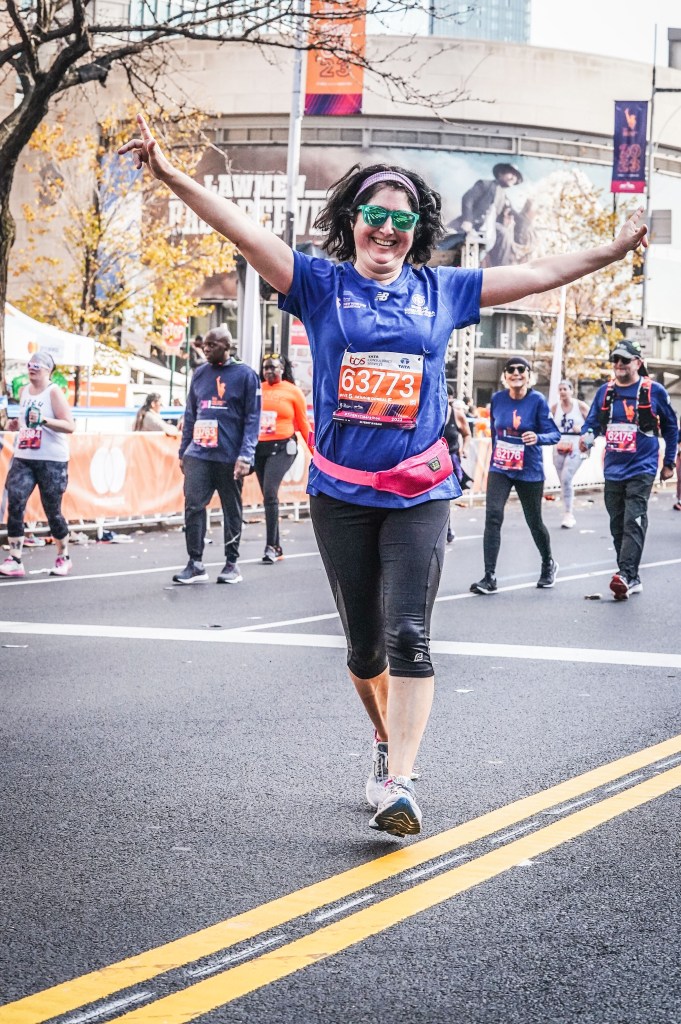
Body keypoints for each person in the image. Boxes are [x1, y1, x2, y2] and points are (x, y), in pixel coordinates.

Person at [120, 113, 649, 838]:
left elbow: (539, 273)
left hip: (420, 489)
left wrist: (613, 249)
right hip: (340, 492)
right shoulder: (316, 283)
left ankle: (399, 781)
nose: (387, 229)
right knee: (365, 648)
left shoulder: (442, 291)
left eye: (402, 220)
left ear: (416, 230)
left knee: (409, 634)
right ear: (353, 221)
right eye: (375, 215)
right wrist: (171, 174)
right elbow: (240, 230)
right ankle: (383, 737)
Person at [579, 338, 678, 600]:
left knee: (634, 518)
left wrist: (669, 462)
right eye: (615, 360)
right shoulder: (605, 392)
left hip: (642, 467)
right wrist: (586, 437)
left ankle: (624, 574)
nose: (619, 364)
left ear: (638, 362)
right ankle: (630, 576)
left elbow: (671, 427)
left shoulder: (653, 390)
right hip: (613, 469)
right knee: (617, 524)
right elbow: (591, 423)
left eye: (624, 359)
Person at [172, 326, 260, 585]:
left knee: (231, 508)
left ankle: (231, 563)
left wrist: (246, 455)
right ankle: (195, 563)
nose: (206, 349)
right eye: (204, 345)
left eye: (212, 345)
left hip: (230, 456)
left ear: (227, 346)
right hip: (199, 453)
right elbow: (190, 414)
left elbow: (253, 418)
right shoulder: (200, 374)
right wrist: (183, 451)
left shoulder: (246, 375)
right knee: (193, 506)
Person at [470, 357, 560, 595]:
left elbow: (554, 434)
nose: (516, 373)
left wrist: (537, 437)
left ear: (529, 376)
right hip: (501, 468)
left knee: (534, 521)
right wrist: (495, 459)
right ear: (505, 376)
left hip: (529, 470)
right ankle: (489, 577)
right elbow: (495, 432)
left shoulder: (537, 401)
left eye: (522, 369)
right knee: (493, 516)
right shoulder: (498, 399)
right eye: (511, 369)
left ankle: (548, 562)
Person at [0, 350, 75, 579]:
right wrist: (16, 424)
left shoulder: (53, 392)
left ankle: (63, 556)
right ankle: (15, 559)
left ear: (48, 370)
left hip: (52, 459)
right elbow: (26, 420)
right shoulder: (24, 391)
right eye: (29, 365)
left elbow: (70, 425)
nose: (31, 369)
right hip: (24, 456)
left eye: (37, 366)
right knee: (15, 502)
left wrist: (44, 420)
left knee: (52, 511)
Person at [256, 354, 312, 564]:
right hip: (259, 448)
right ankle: (276, 546)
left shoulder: (292, 391)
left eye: (273, 367)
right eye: (266, 368)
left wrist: (316, 454)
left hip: (283, 448)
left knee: (270, 492)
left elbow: (304, 425)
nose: (269, 371)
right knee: (267, 496)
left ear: (282, 369)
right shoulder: (258, 389)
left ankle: (272, 546)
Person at [550, 380, 589, 528]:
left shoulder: (580, 406)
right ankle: (566, 508)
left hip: (576, 444)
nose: (562, 392)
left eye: (565, 389)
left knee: (566, 477)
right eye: (560, 389)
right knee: (563, 480)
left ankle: (568, 514)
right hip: (559, 444)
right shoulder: (555, 408)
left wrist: (583, 431)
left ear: (571, 391)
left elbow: (594, 424)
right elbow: (547, 425)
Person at [443, 385, 472, 543]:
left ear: (450, 398)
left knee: (444, 496)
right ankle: (445, 529)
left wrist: (464, 449)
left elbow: (467, 434)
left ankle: (447, 529)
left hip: (451, 461)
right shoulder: (430, 412)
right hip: (432, 462)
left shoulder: (457, 414)